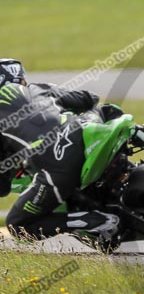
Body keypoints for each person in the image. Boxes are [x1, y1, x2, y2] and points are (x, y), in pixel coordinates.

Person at [0, 57, 119, 240]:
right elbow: (89, 98)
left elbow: (2, 186)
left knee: (16, 225)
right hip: (83, 133)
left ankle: (94, 221)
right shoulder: (38, 88)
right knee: (110, 111)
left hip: (56, 167)